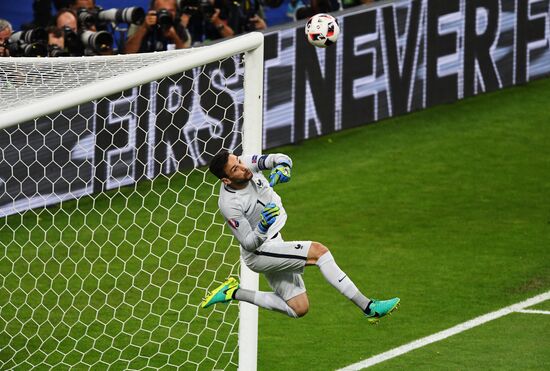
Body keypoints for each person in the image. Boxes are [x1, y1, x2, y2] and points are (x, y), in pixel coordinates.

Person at [201, 151, 400, 323]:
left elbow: (279, 158)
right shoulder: (229, 204)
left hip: (274, 241)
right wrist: (262, 227)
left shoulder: (247, 164)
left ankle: (233, 292)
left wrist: (283, 166)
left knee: (299, 308)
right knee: (319, 252)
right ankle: (369, 307)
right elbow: (248, 243)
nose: (243, 167)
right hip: (259, 253)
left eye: (239, 162)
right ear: (226, 180)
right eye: (235, 169)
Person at [124, 0, 190, 53]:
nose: (166, 14)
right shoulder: (140, 23)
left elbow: (187, 57)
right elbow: (128, 53)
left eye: (171, 11)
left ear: (176, 12)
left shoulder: (178, 26)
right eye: (162, 10)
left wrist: (174, 37)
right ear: (152, 10)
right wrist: (144, 29)